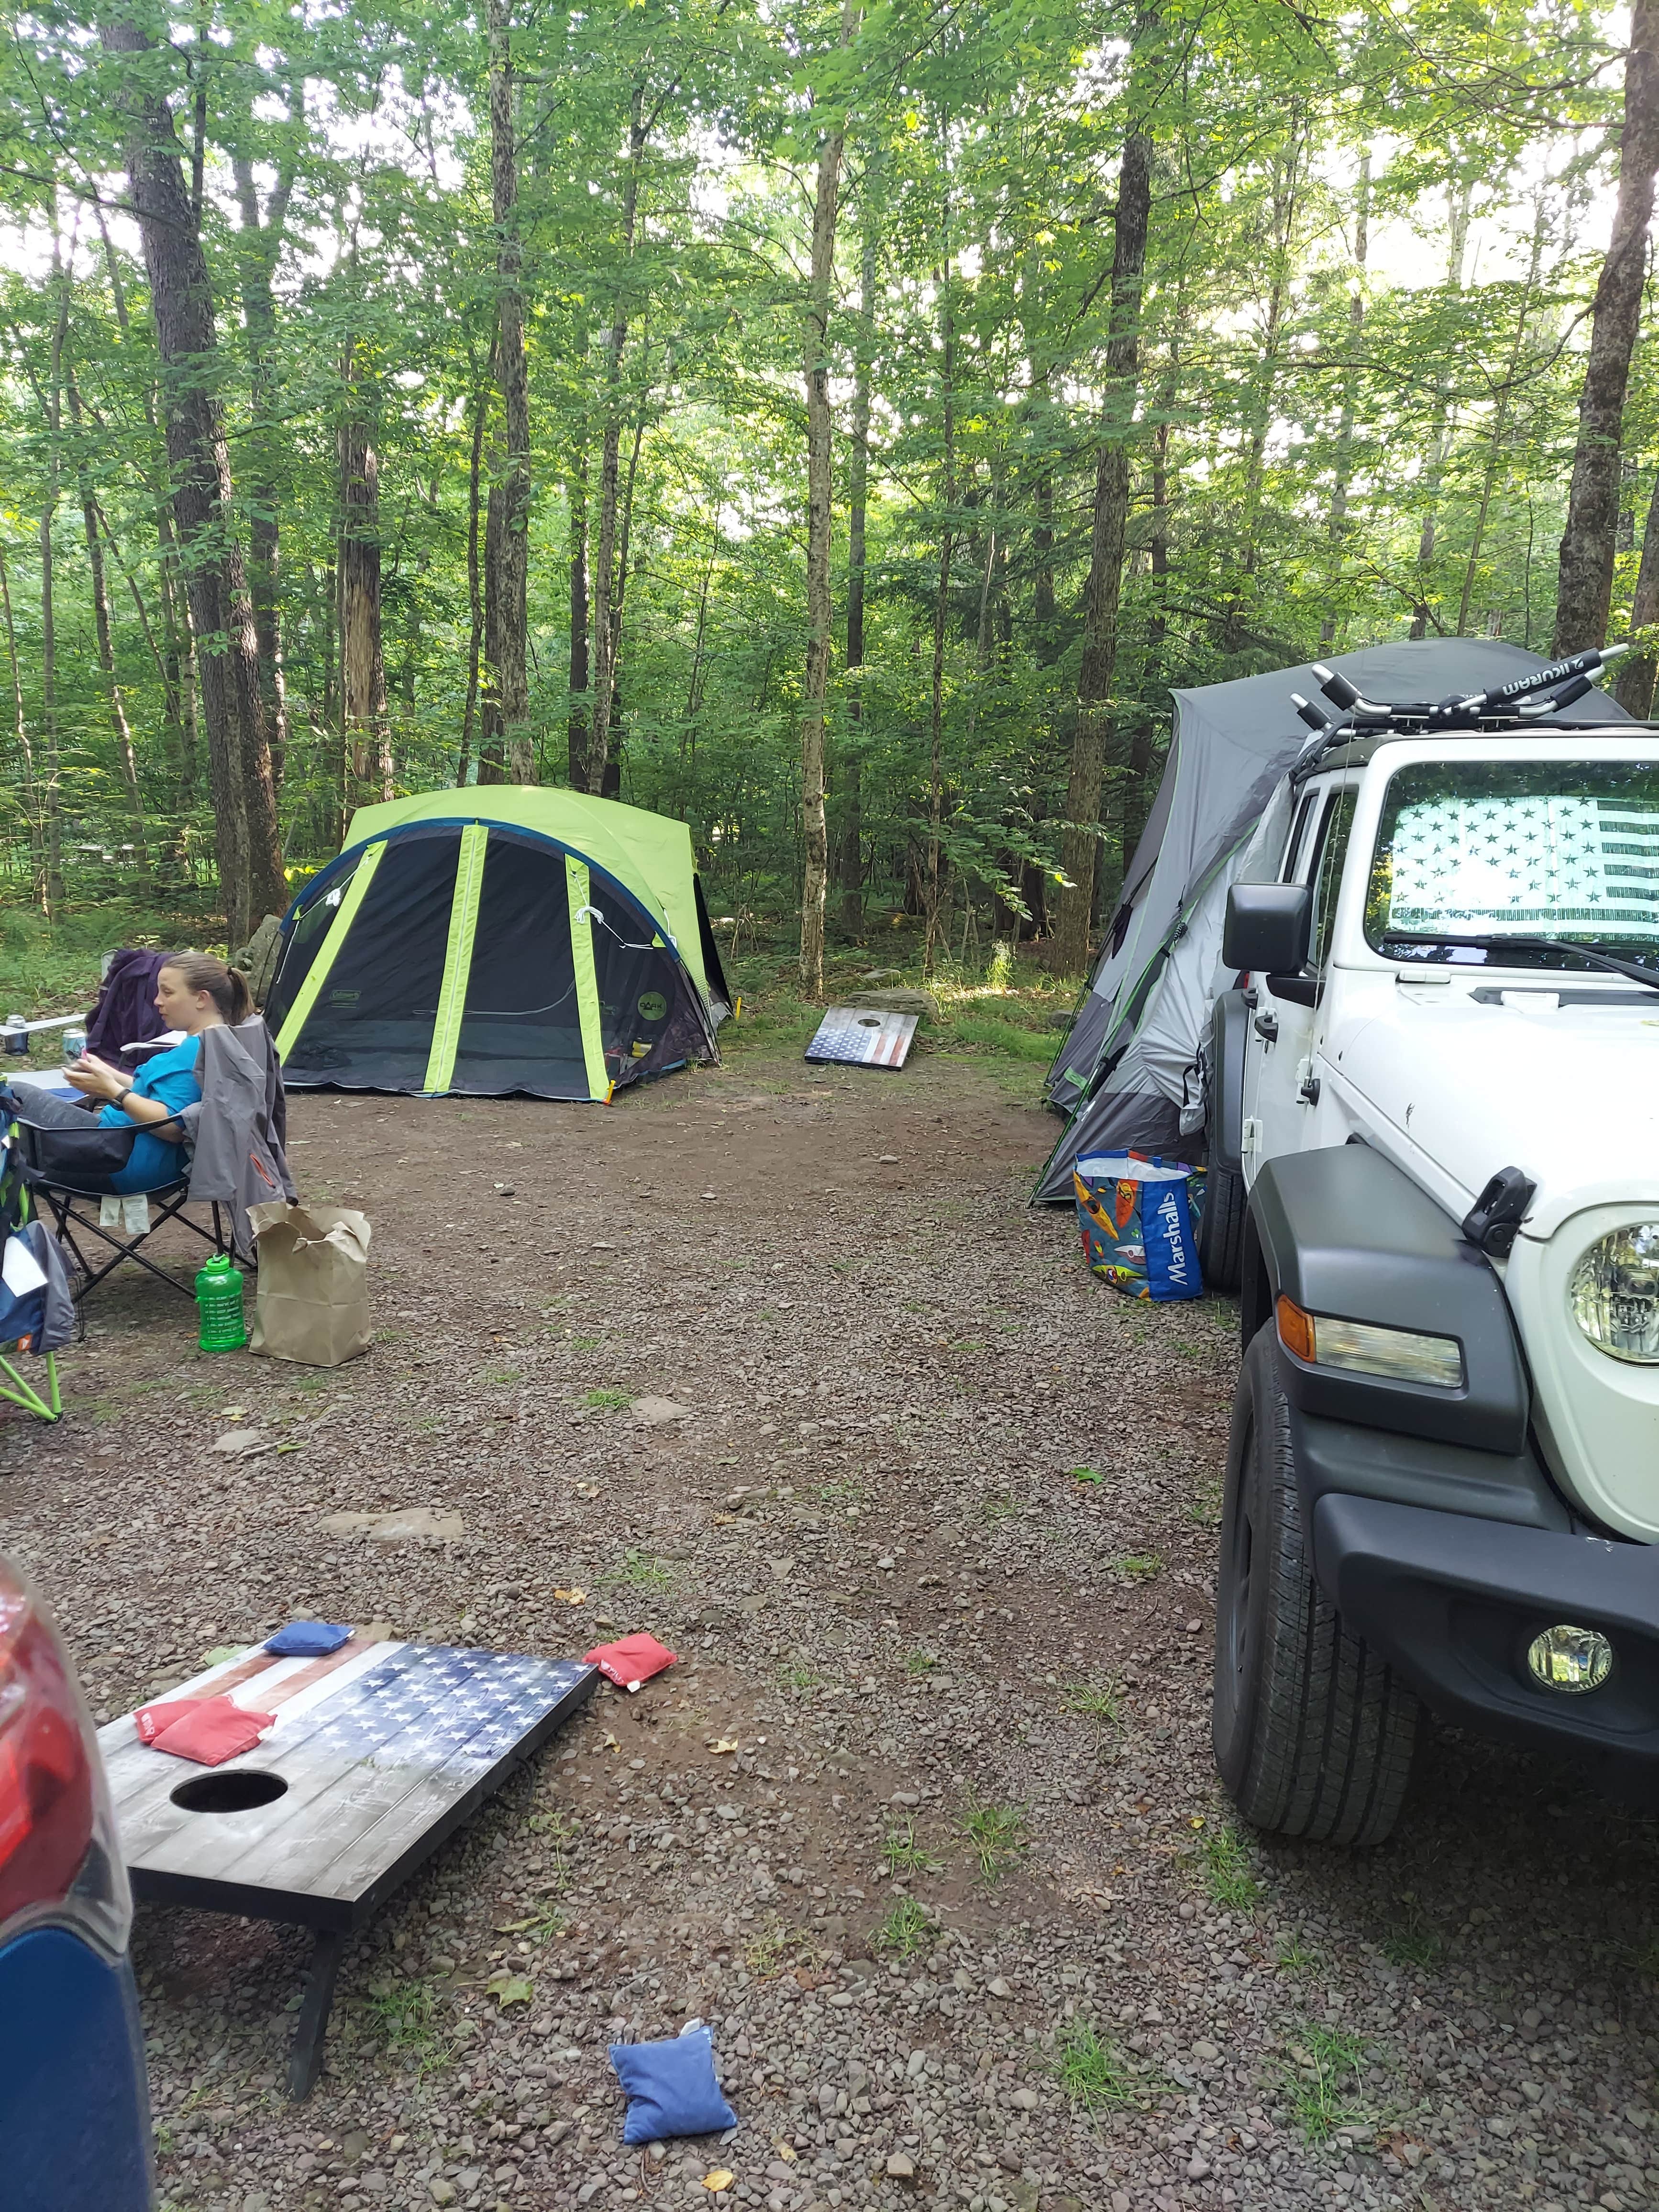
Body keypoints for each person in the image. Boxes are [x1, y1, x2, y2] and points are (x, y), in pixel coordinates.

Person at [2, 955, 253, 1194]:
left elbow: (173, 1126)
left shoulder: (194, 1051)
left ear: (201, 999)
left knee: (12, 1092)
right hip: (128, 1151)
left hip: (119, 1161)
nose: (157, 1001)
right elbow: (161, 1096)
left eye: (168, 992)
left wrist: (113, 1092)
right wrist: (107, 1073)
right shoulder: (220, 1042)